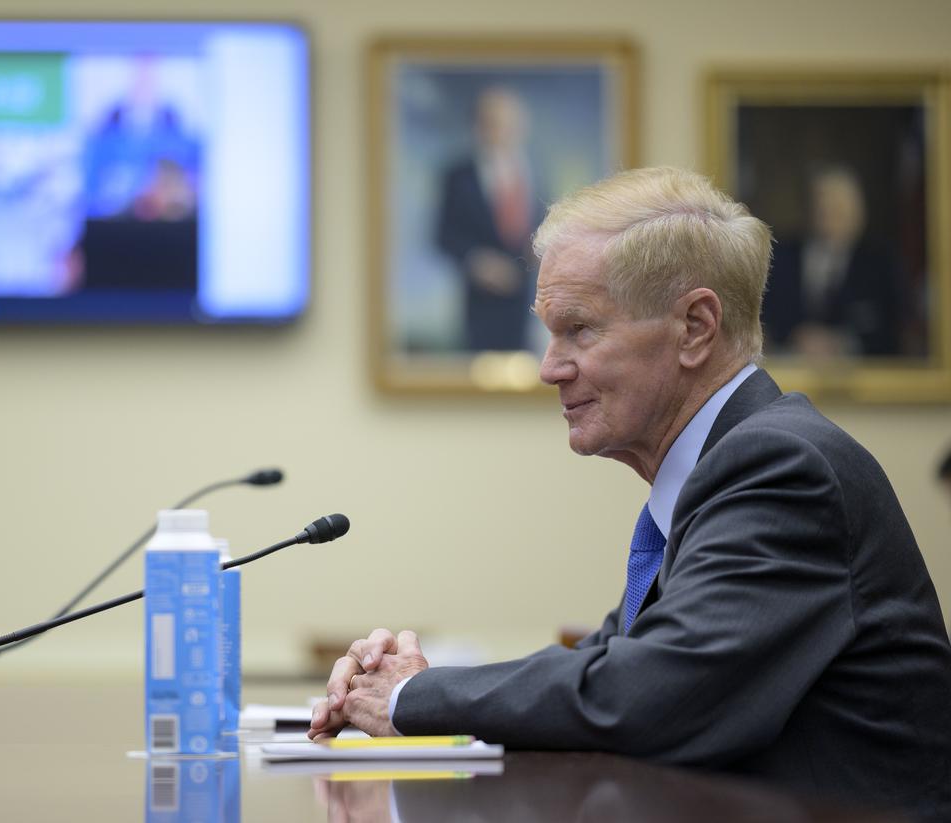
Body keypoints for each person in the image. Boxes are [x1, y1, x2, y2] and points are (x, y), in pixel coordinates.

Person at [310, 167, 951, 820]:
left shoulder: (782, 468)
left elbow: (648, 694)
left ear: (695, 327)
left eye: (579, 329)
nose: (549, 368)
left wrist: (414, 696)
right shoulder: (724, 466)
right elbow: (610, 665)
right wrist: (417, 684)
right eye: (549, 332)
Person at [435, 87, 546, 352]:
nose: (503, 131)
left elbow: (547, 222)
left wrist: (540, 249)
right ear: (478, 127)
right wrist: (477, 262)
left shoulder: (538, 171)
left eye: (510, 123)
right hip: (481, 303)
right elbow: (443, 234)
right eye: (494, 123)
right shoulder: (459, 176)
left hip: (528, 299)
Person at [762, 167, 905, 357]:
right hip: (788, 366)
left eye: (839, 207)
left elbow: (892, 326)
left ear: (857, 211)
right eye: (822, 204)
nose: (829, 213)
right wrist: (794, 338)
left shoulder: (879, 263)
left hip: (862, 371)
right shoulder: (780, 257)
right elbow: (763, 317)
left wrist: (842, 343)